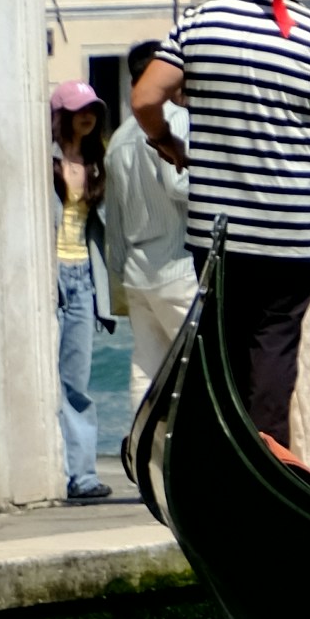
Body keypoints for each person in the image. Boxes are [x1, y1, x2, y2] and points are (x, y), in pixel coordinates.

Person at [132, 0, 310, 452]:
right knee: (274, 360)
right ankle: (269, 462)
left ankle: (220, 463)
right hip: (292, 235)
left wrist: (168, 143)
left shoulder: (201, 22)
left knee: (223, 355)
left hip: (220, 234)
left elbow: (144, 98)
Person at [102, 38, 197, 372]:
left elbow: (112, 221)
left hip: (136, 274)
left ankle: (147, 427)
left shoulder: (117, 139)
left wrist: (117, 285)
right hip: (179, 268)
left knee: (146, 370)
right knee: (199, 366)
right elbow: (178, 184)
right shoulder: (180, 121)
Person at [50, 83, 112, 506]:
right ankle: (57, 468)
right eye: (78, 109)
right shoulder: (45, 161)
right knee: (48, 380)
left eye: (92, 108)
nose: (86, 115)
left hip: (83, 277)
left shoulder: (94, 163)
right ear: (60, 115)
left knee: (77, 381)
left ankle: (83, 475)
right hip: (48, 274)